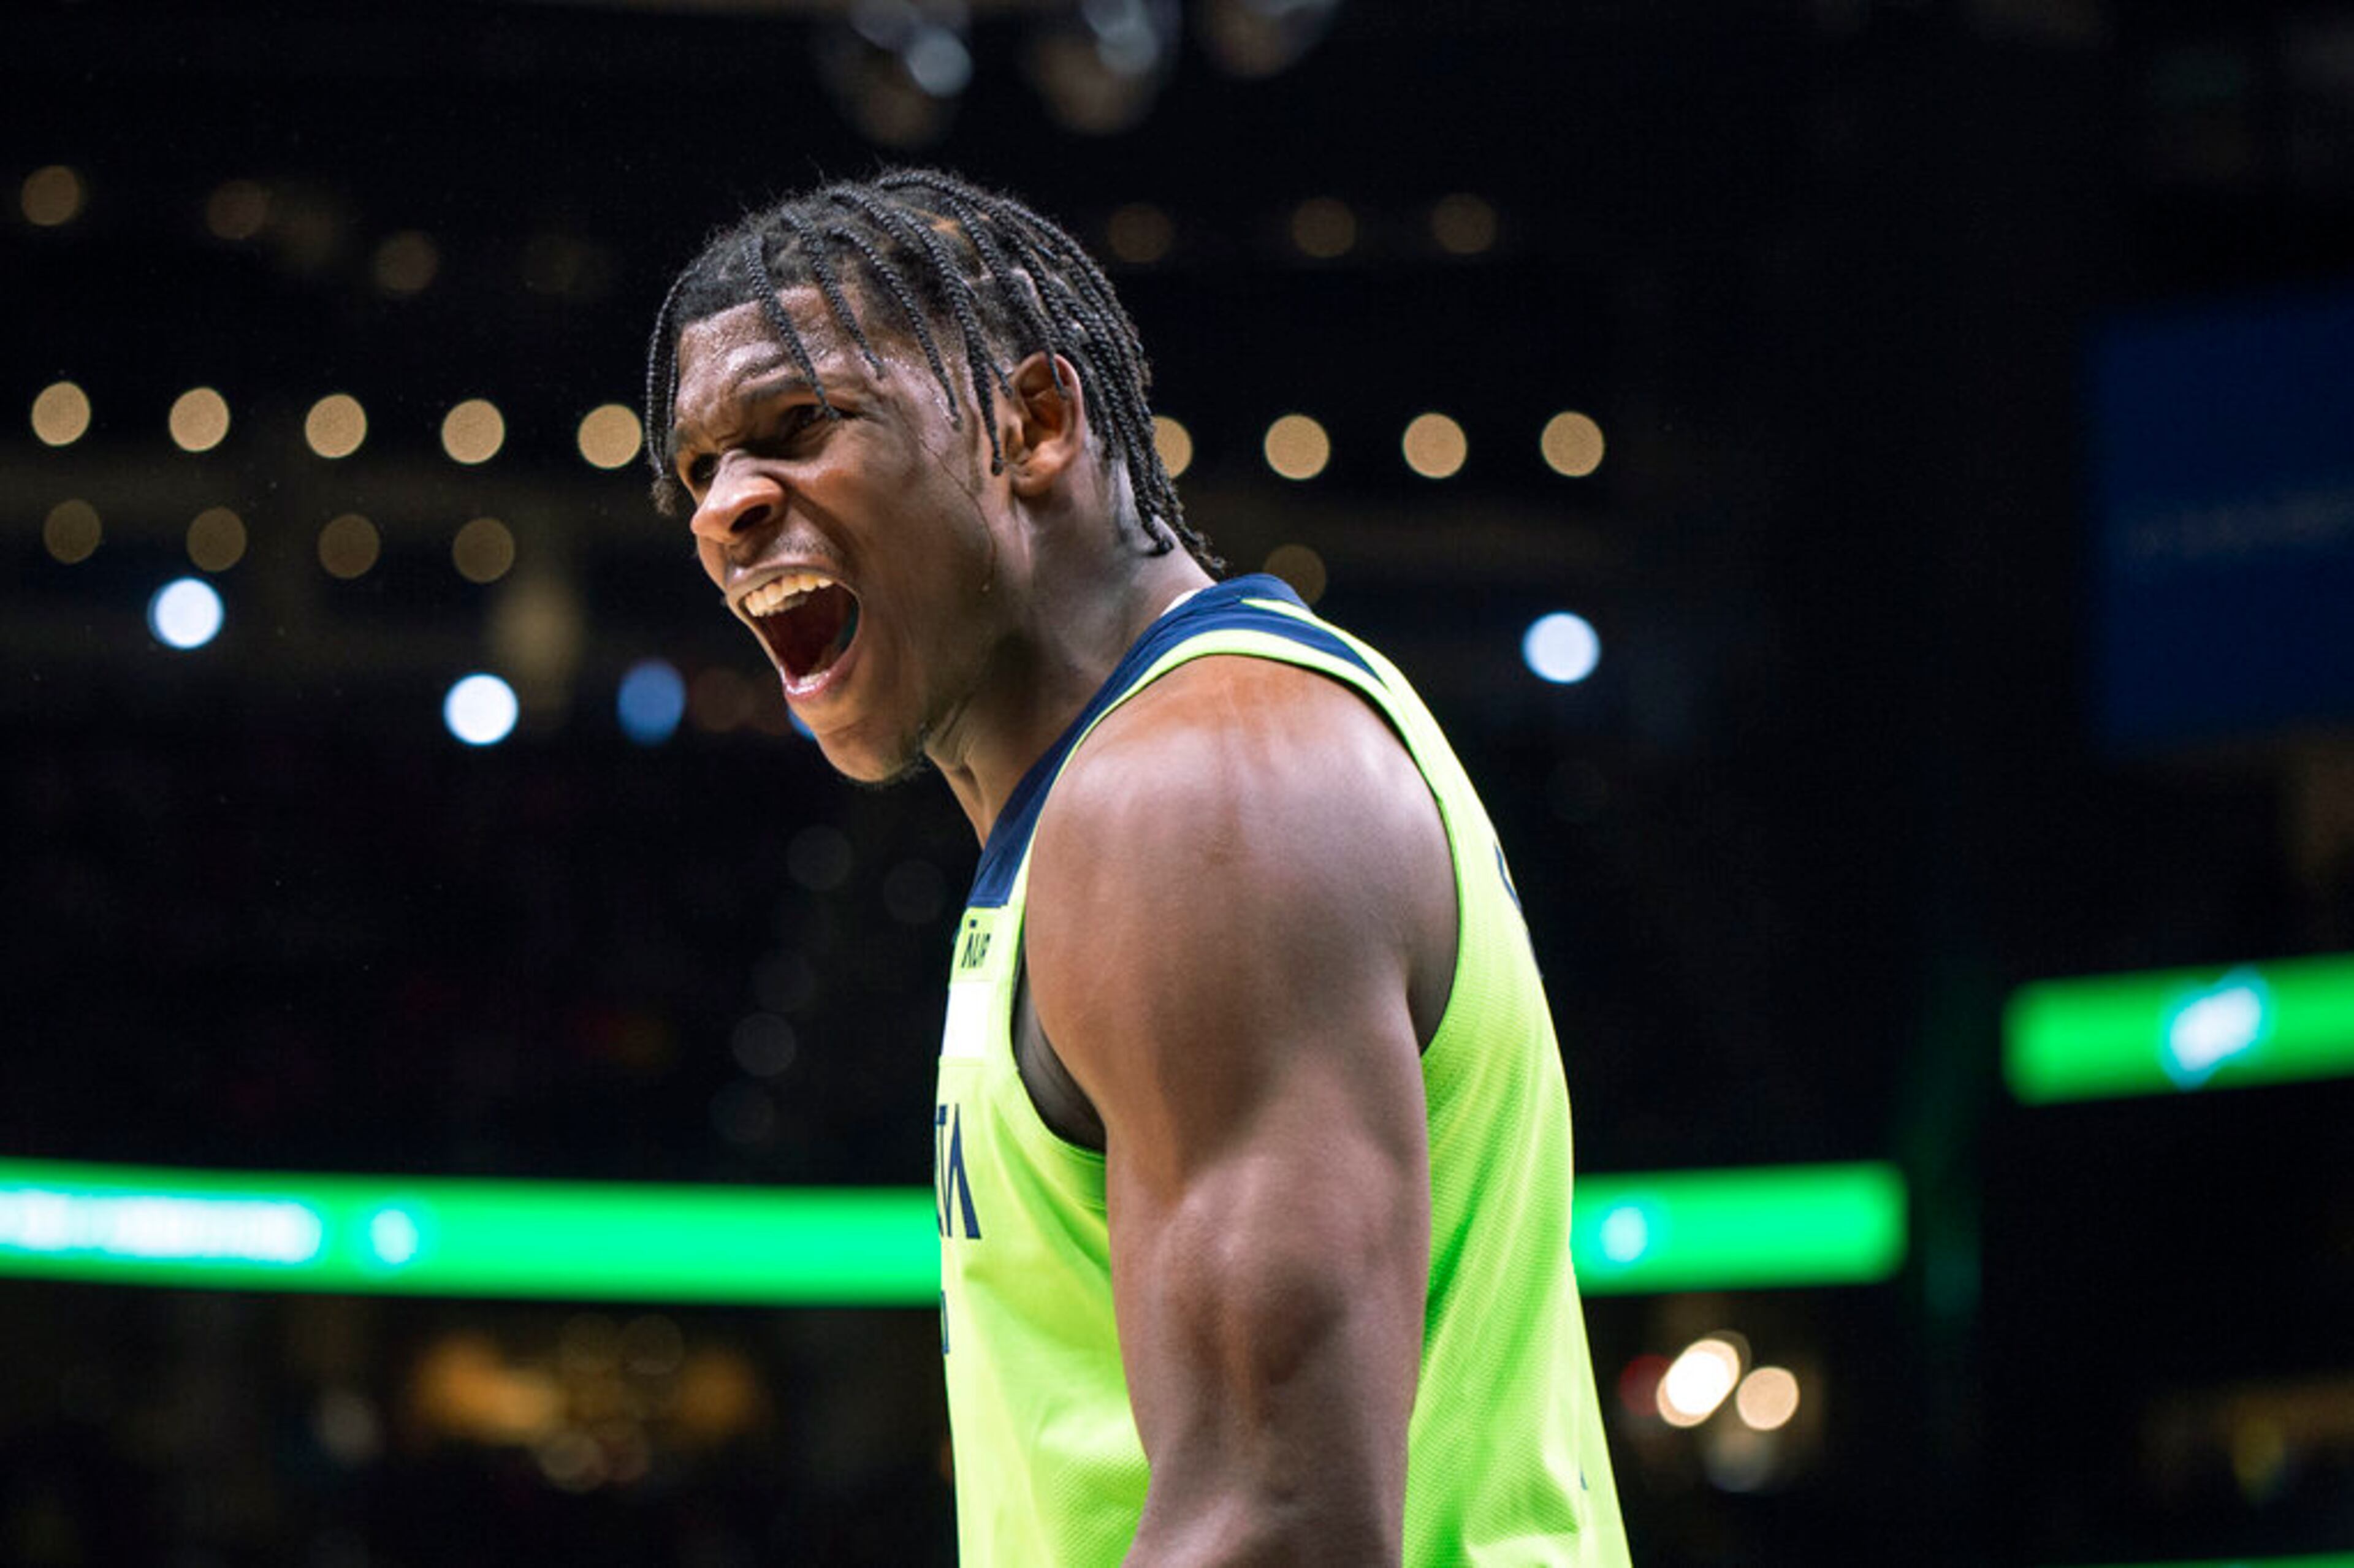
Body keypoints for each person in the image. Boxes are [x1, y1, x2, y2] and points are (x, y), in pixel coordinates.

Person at [645, 169, 1631, 1567]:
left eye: (799, 426)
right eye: (698, 472)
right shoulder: (1137, 792)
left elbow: (1278, 1524)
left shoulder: (1202, 796)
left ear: (1036, 424)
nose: (722, 509)